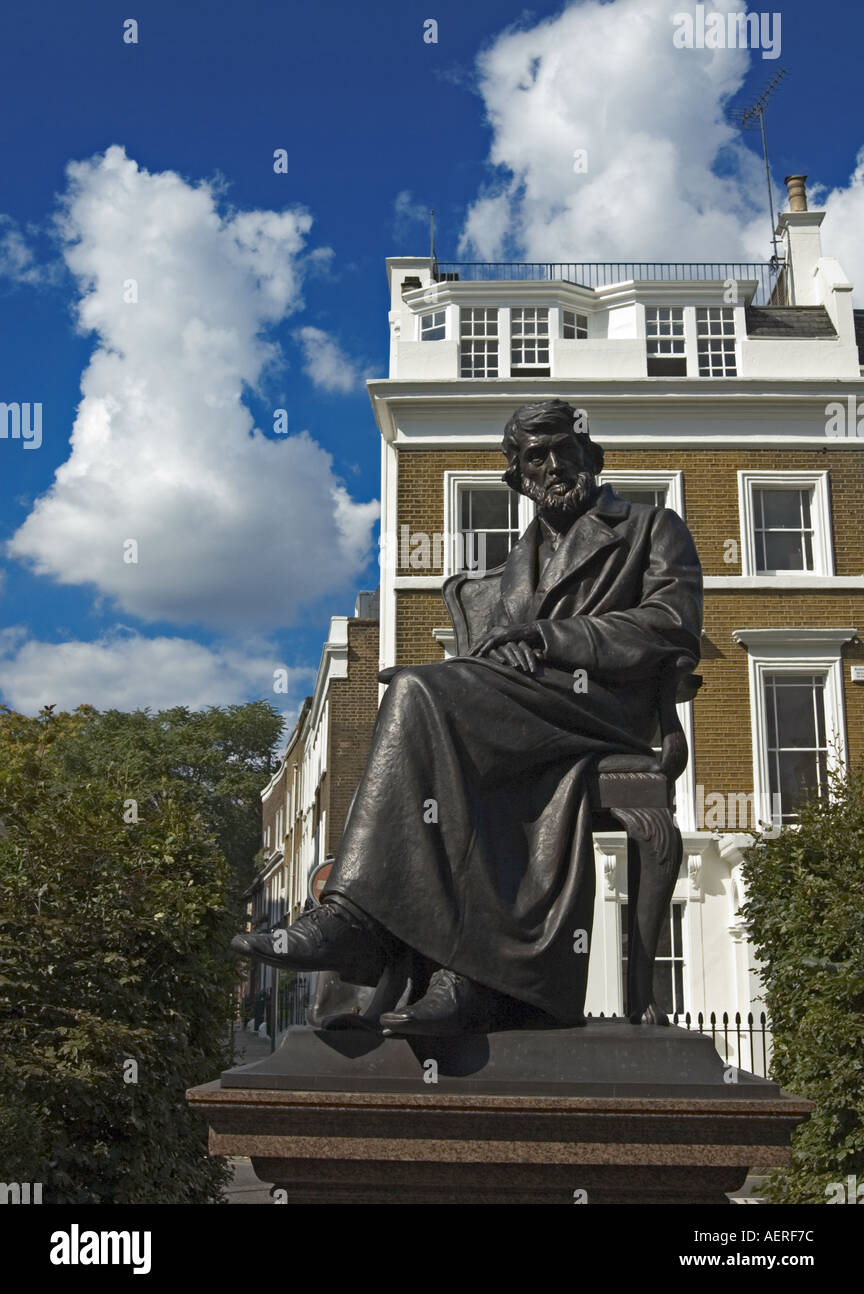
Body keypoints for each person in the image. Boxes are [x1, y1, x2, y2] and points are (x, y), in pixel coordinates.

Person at [233, 399, 702, 1034]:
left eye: (566, 449)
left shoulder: (651, 526)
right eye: (536, 457)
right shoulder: (517, 561)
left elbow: (670, 625)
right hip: (518, 713)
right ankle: (464, 976)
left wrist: (546, 639)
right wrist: (504, 650)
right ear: (519, 477)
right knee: (417, 700)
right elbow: (496, 656)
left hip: (602, 708)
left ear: (588, 454)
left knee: (420, 694)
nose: (555, 465)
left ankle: (354, 923)